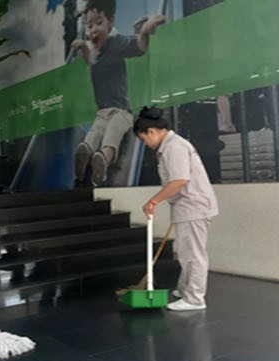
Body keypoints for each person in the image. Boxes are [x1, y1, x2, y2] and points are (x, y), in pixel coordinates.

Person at [70, 0, 168, 187]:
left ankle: (102, 158)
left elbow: (139, 48)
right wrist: (82, 45)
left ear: (111, 22)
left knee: (112, 133)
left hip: (121, 111)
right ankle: (86, 150)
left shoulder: (116, 43)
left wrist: (144, 32)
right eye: (89, 26)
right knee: (95, 132)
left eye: (99, 23)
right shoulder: (94, 51)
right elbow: (90, 61)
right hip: (102, 112)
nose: (93, 30)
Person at [134, 106, 219, 311]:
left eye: (144, 139)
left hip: (193, 206)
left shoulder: (174, 147)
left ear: (151, 132)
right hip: (187, 206)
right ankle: (185, 289)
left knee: (193, 254)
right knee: (185, 251)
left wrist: (153, 201)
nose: (146, 144)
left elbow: (179, 181)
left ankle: (195, 299)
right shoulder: (170, 146)